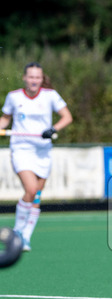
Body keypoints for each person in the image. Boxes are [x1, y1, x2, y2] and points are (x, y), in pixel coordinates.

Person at [0, 62, 73, 251]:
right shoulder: (14, 97)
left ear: (42, 79)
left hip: (43, 151)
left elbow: (67, 117)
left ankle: (26, 236)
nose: (34, 81)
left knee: (37, 196)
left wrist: (53, 129)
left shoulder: (51, 96)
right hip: (21, 149)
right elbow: (5, 119)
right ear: (24, 78)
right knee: (31, 190)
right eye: (31, 77)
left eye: (37, 77)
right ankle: (17, 231)